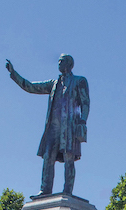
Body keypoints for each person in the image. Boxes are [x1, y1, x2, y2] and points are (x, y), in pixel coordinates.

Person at [6, 54, 89, 198]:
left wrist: (82, 121)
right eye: (58, 61)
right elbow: (31, 87)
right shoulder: (53, 84)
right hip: (53, 128)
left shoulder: (79, 81)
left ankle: (67, 191)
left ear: (69, 64)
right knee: (48, 157)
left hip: (69, 127)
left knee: (69, 158)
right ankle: (45, 190)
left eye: (61, 61)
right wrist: (14, 74)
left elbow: (85, 103)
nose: (58, 63)